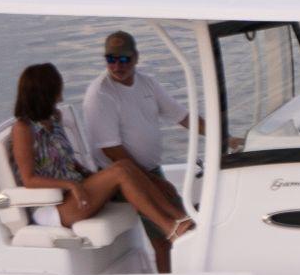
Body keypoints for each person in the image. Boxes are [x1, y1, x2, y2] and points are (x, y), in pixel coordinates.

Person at [9, 62, 193, 271]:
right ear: (46, 89)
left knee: (124, 165)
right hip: (53, 207)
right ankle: (170, 226)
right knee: (121, 171)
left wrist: (85, 173)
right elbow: (29, 179)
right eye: (58, 83)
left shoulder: (54, 118)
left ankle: (178, 219)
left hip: (74, 192)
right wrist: (71, 185)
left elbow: (66, 160)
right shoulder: (23, 128)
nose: (62, 87)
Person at [82, 30, 237, 177]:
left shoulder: (148, 83)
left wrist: (225, 138)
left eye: (124, 59)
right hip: (123, 175)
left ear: (136, 57)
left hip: (149, 171)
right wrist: (148, 179)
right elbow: (111, 149)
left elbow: (185, 118)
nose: (117, 66)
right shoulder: (100, 94)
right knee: (172, 203)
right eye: (111, 59)